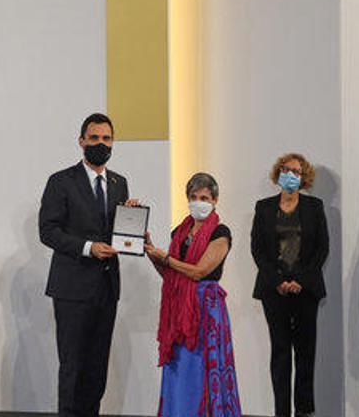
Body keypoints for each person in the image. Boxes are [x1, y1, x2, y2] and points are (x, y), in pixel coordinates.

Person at [38, 113, 137, 417]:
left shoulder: (120, 183)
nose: (100, 144)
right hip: (71, 288)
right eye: (94, 138)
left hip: (106, 288)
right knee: (73, 366)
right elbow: (48, 231)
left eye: (106, 139)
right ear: (81, 141)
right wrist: (87, 248)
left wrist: (133, 225)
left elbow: (120, 236)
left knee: (97, 367)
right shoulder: (61, 181)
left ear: (113, 143)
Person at [145, 172, 241, 417]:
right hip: (178, 309)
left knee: (200, 368)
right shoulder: (179, 232)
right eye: (194, 197)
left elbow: (199, 272)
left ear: (215, 200)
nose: (200, 202)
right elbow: (170, 274)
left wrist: (166, 258)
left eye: (205, 197)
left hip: (205, 310)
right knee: (178, 367)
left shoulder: (220, 232)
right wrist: (149, 250)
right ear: (187, 199)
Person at [251, 153, 328, 417]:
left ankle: (304, 411)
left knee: (306, 353)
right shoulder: (263, 207)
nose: (290, 175)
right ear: (278, 173)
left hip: (306, 290)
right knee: (280, 353)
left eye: (296, 171)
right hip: (274, 291)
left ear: (303, 177)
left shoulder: (314, 207)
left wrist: (299, 281)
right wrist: (279, 281)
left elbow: (321, 249)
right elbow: (258, 250)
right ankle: (281, 411)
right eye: (286, 169)